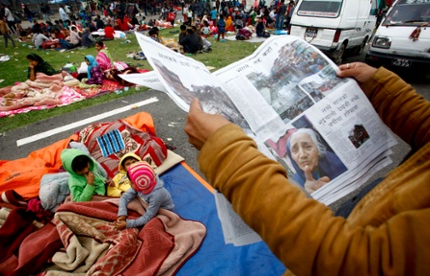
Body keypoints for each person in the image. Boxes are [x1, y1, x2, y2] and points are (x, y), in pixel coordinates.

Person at [184, 62, 430, 275]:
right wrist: (383, 88)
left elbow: (347, 264)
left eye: (307, 147)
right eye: (295, 150)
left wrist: (226, 151)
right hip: (366, 211)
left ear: (320, 150)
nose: (300, 155)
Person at [112, 161, 174, 230]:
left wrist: (128, 224)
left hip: (162, 212)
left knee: (153, 226)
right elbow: (124, 197)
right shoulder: (143, 184)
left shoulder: (157, 194)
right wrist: (122, 214)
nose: (129, 184)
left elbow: (148, 216)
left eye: (131, 183)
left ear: (138, 183)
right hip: (149, 206)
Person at [286, 128, 347, 193]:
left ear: (318, 150)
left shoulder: (335, 163)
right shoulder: (297, 183)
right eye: (295, 150)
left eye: (307, 147)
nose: (302, 155)